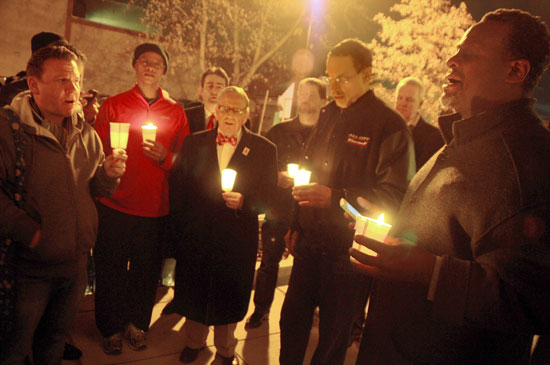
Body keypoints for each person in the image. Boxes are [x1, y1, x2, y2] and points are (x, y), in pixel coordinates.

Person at [350, 8, 550, 364]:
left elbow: (531, 297)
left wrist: (426, 269)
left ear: (515, 70)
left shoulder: (529, 162)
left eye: (469, 53)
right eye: (456, 49)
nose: (451, 60)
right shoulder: (465, 135)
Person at [279, 38, 414, 364]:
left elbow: (393, 196)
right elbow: (313, 169)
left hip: (349, 254)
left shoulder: (389, 125)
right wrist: (296, 221)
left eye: (343, 77)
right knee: (291, 322)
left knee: (333, 339)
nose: (334, 86)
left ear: (367, 74)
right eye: (329, 77)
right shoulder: (328, 114)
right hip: (309, 244)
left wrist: (335, 198)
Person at [0, 45, 126, 364]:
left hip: (76, 265)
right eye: (62, 81)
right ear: (33, 84)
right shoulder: (10, 130)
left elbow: (92, 187)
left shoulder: (87, 133)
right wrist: (32, 233)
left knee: (54, 342)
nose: (74, 90)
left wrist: (108, 175)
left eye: (77, 81)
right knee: (13, 348)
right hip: (28, 268)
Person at [93, 42, 189, 354]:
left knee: (147, 273)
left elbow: (186, 161)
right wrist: (108, 163)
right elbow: (94, 152)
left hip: (155, 207)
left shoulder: (175, 112)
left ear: (164, 71)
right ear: (135, 66)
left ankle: (137, 324)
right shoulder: (114, 105)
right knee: (110, 268)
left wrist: (166, 157)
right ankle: (109, 327)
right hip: (115, 203)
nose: (150, 66)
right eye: (144, 61)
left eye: (157, 63)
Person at [170, 86, 277, 365]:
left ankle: (226, 349)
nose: (230, 114)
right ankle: (194, 342)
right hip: (198, 234)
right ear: (216, 110)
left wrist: (245, 202)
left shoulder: (265, 149)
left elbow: (268, 198)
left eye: (237, 109)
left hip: (236, 239)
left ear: (246, 115)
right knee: (194, 289)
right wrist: (179, 233)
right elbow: (180, 189)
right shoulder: (194, 143)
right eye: (225, 108)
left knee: (229, 294)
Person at [244, 77, 326, 330]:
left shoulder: (328, 136)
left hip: (312, 212)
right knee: (269, 262)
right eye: (303, 92)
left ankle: (307, 310)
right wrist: (275, 176)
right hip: (279, 209)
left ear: (324, 101)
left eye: (312, 94)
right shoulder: (279, 132)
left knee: (309, 266)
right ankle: (261, 309)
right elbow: (260, 167)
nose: (305, 97)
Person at [394, 76, 444, 169]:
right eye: (400, 98)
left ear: (420, 104)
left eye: (409, 100)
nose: (402, 103)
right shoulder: (383, 130)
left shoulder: (435, 137)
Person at [185, 67, 230, 133]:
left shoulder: (235, 118)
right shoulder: (186, 116)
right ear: (201, 90)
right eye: (210, 86)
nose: (214, 91)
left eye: (219, 87)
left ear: (226, 92)